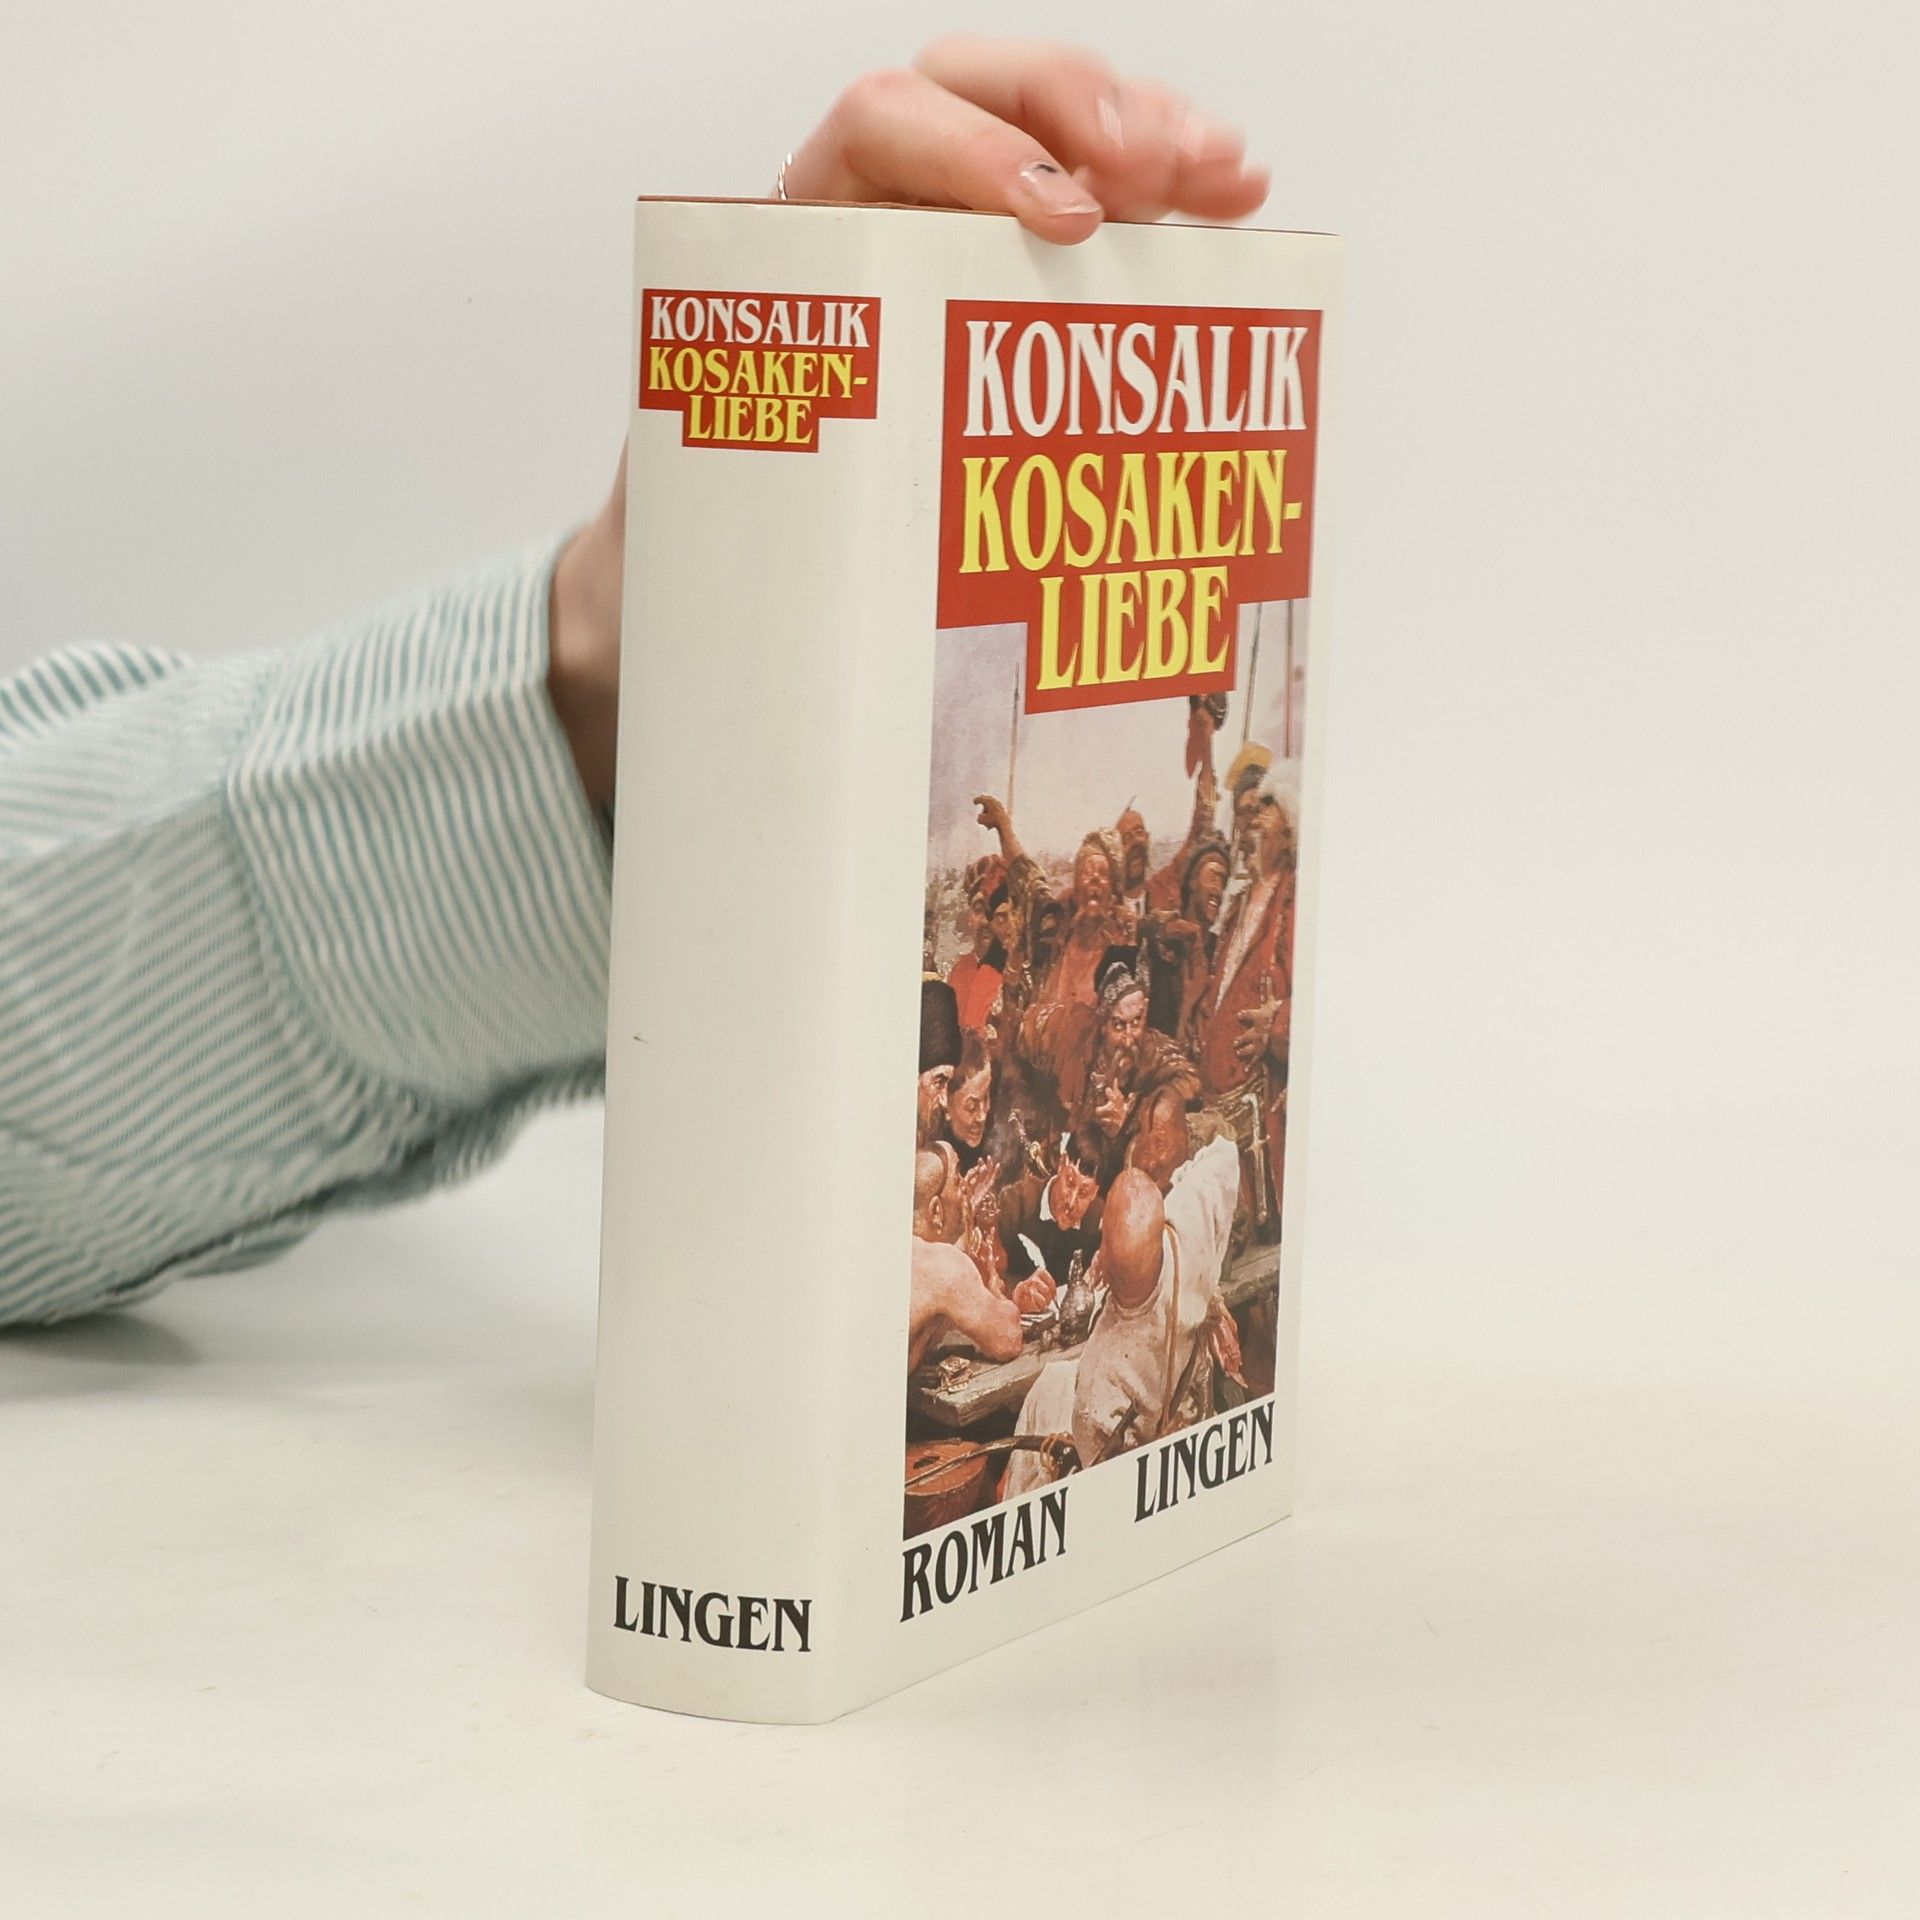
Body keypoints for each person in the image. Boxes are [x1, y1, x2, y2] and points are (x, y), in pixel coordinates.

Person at [0, 39, 1271, 1328]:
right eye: (1092, 872)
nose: (1101, 888)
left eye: (1116, 876)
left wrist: (601, 683)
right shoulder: (1026, 965)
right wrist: (585, 713)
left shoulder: (1149, 981)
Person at [1001, 1134, 1244, 1498]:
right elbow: (1225, 1153)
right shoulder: (1190, 1227)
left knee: (1046, 1396)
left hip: (1152, 1457)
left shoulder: (1100, 1375)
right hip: (1183, 1404)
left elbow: (1107, 1481)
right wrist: (1167, 1207)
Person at [1017, 963, 1201, 1191]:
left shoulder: (1153, 1052)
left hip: (1095, 1184)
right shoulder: (1072, 1028)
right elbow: (1027, 1028)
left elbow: (1191, 1083)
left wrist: (1133, 1117)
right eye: (1119, 1025)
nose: (1129, 1039)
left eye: (1137, 1022)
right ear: (1103, 1021)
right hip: (1049, 1166)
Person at [907, 1145, 1024, 1372]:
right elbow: (1008, 1339)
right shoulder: (944, 1264)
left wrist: (965, 1215)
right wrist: (996, 1292)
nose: (965, 1188)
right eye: (957, 1180)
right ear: (936, 1210)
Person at [995, 1125, 1106, 1298]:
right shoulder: (1015, 1204)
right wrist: (1016, 1292)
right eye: (1070, 1182)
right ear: (1061, 1164)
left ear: (1094, 1193)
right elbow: (991, 1279)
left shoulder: (1098, 1221)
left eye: (1084, 1193)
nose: (1071, 1202)